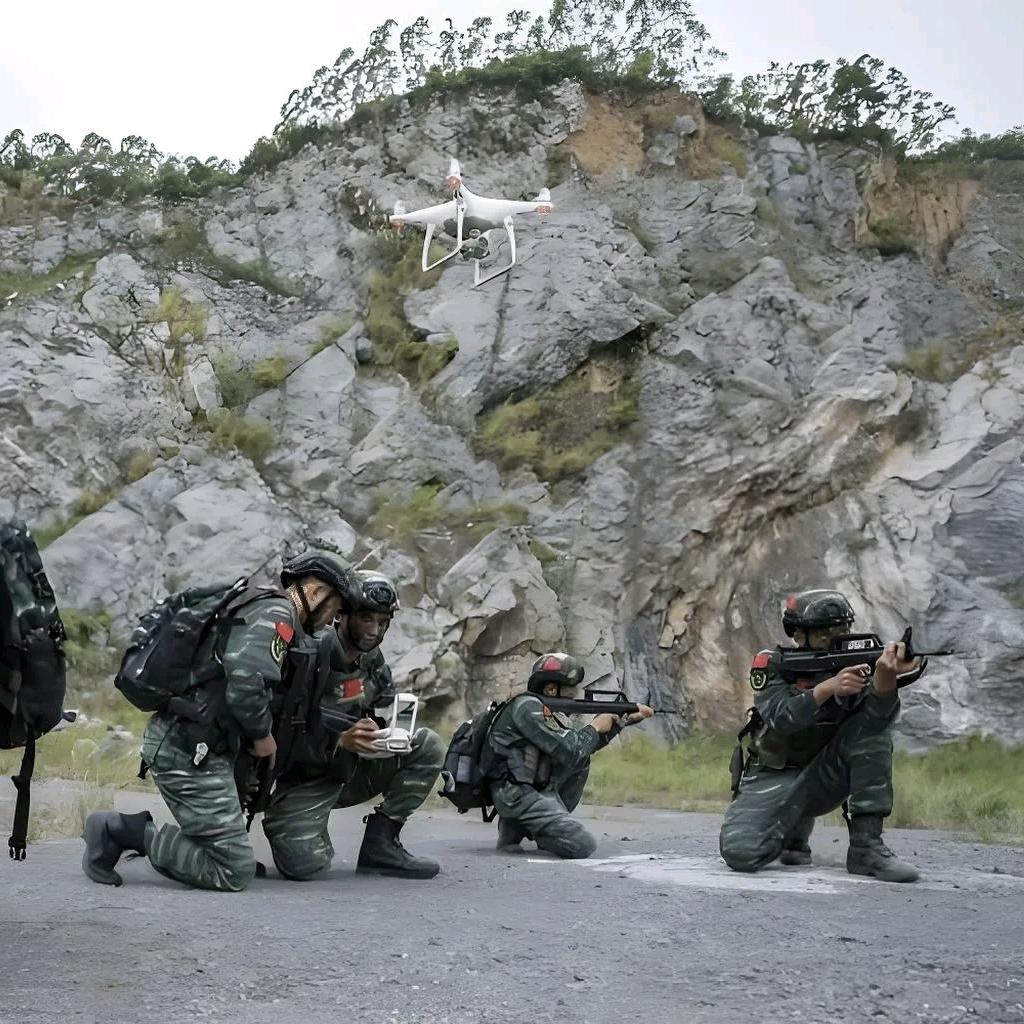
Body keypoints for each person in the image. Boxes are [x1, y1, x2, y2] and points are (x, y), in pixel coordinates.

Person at [81, 552, 354, 891]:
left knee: (230, 853)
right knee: (232, 870)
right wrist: (262, 735)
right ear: (315, 594)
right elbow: (246, 681)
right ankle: (119, 831)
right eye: (334, 607)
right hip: (186, 749)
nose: (332, 620)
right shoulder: (277, 612)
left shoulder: (269, 612)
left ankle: (215, 847)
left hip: (203, 746)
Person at [719, 589, 921, 882]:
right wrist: (827, 688)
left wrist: (885, 680)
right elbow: (780, 717)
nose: (835, 639)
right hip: (774, 774)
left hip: (826, 774)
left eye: (841, 630)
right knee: (741, 854)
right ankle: (790, 833)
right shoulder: (775, 665)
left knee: (872, 736)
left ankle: (866, 848)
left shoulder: (854, 664)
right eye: (825, 634)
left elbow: (876, 720)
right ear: (799, 635)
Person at [261, 570, 444, 880]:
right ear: (342, 614)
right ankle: (280, 821)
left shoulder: (371, 659)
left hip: (348, 769)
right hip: (302, 778)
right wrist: (339, 739)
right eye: (366, 618)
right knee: (305, 865)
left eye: (383, 621)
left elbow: (380, 704)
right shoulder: (307, 652)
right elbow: (277, 731)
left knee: (425, 745)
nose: (375, 630)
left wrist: (380, 731)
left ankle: (381, 845)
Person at [484, 652, 652, 859]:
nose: (574, 694)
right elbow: (572, 750)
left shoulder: (534, 708)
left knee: (581, 760)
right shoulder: (527, 707)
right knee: (583, 845)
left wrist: (618, 724)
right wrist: (595, 726)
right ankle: (536, 830)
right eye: (569, 687)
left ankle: (516, 829)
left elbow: (578, 750)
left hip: (523, 789)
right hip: (515, 792)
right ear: (551, 688)